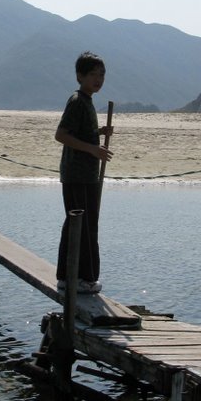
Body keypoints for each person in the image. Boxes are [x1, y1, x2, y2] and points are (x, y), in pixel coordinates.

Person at [55, 52, 113, 294]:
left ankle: (75, 277)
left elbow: (79, 132)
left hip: (85, 174)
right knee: (81, 224)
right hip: (77, 175)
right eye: (93, 74)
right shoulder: (78, 100)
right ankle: (77, 278)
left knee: (83, 223)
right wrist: (93, 149)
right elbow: (61, 134)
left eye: (102, 75)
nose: (98, 79)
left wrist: (99, 132)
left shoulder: (86, 100)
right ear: (80, 76)